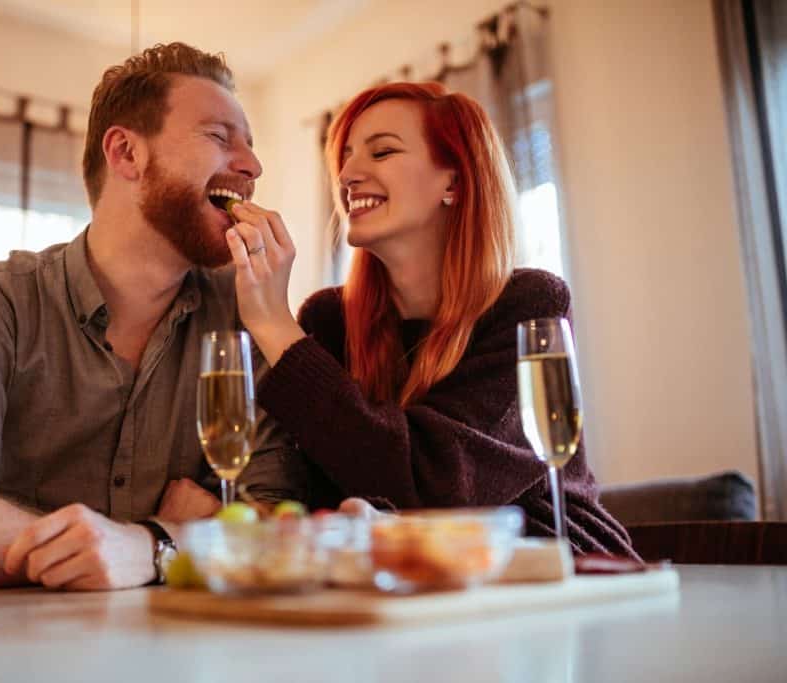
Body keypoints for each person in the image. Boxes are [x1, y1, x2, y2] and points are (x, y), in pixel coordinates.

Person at [0, 42, 306, 591]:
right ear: (125, 153)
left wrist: (145, 548)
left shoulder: (246, 317)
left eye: (249, 145)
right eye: (220, 137)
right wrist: (166, 535)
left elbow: (278, 534)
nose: (252, 166)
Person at [223, 81, 636, 556]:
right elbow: (312, 494)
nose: (348, 174)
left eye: (382, 153)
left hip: (554, 570)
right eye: (347, 156)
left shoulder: (527, 304)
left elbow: (439, 489)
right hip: (395, 584)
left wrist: (274, 323)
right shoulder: (327, 319)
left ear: (454, 182)